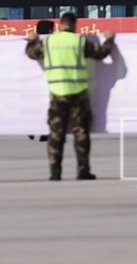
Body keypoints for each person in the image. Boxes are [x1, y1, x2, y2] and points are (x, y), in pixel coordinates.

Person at [25, 12, 115, 181]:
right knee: (81, 134)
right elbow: (101, 53)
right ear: (74, 25)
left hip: (57, 93)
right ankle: (83, 170)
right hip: (78, 94)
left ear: (59, 25)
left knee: (56, 135)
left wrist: (32, 40)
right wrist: (109, 39)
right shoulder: (79, 41)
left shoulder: (49, 42)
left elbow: (31, 53)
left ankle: (55, 172)